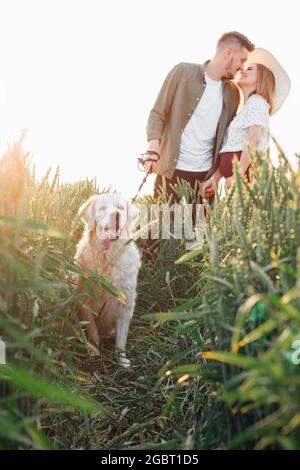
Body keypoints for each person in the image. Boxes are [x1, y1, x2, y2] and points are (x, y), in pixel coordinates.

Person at [144, 31, 255, 206]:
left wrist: (216, 176)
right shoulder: (182, 72)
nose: (242, 67)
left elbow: (227, 140)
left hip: (204, 181)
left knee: (198, 233)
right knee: (160, 231)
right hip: (169, 174)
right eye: (242, 60)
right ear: (228, 53)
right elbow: (158, 113)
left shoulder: (233, 94)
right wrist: (152, 150)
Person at [201, 48, 291, 196]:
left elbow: (254, 140)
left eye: (249, 69)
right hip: (241, 177)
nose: (243, 71)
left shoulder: (256, 102)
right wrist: (216, 178)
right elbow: (230, 148)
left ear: (261, 78)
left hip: (247, 177)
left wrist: (239, 174)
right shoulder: (245, 109)